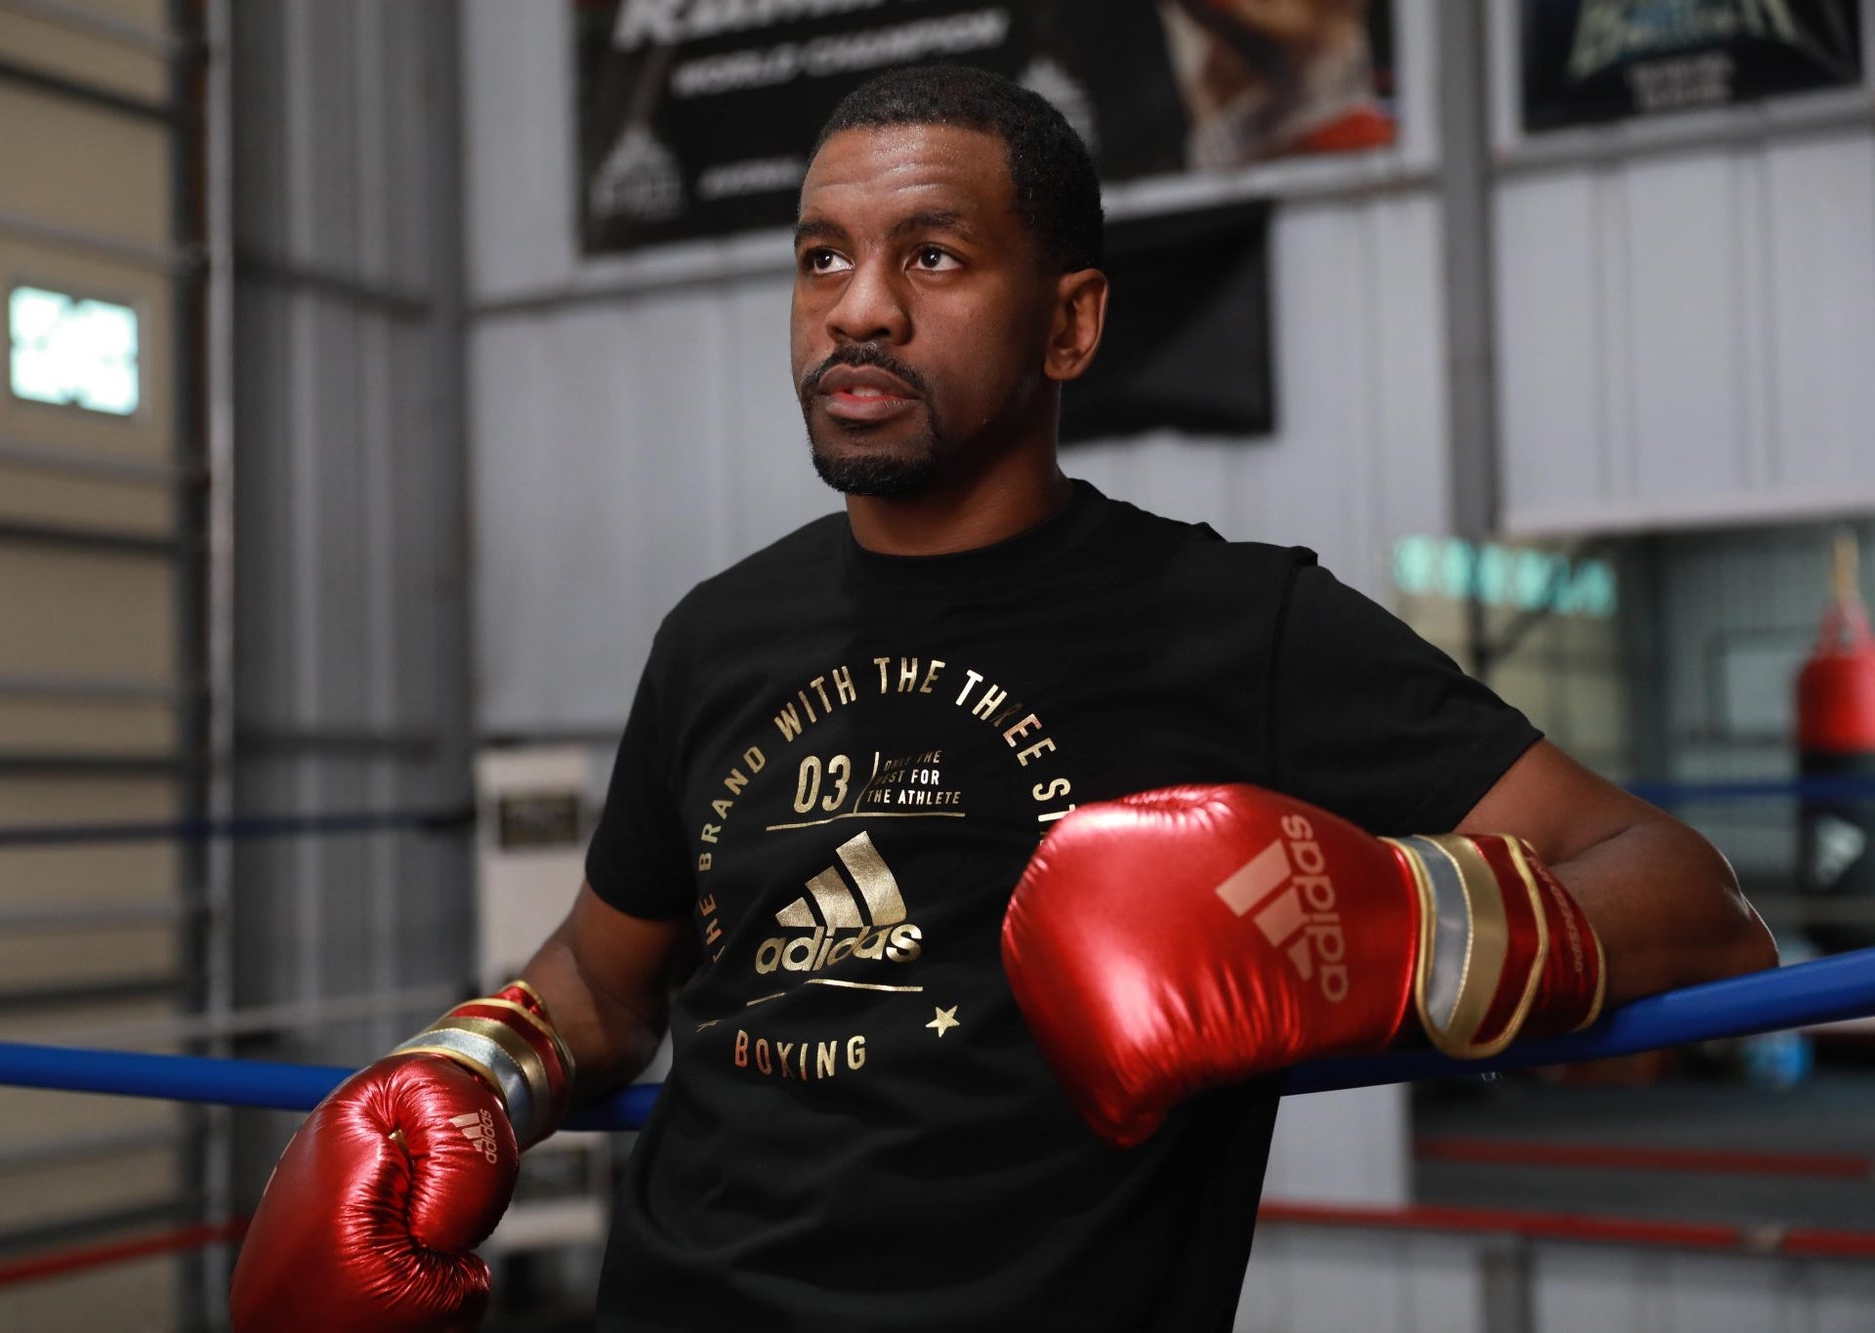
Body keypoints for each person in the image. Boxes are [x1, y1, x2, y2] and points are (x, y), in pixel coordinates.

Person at [228, 64, 1777, 1332]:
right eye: (822, 254)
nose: (859, 308)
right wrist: (471, 1071)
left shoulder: (1243, 623)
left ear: (1073, 323)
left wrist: (1387, 918)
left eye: (934, 255)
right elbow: (605, 976)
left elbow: (1695, 902)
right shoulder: (717, 635)